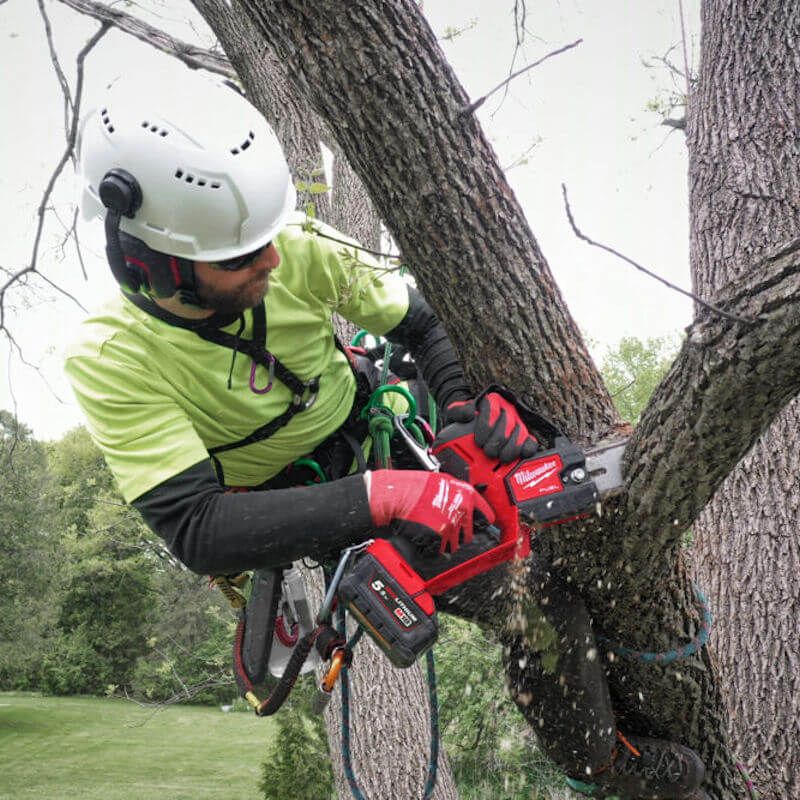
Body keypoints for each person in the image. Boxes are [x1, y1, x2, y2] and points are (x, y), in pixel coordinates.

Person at [66, 70, 707, 800]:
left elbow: (423, 321)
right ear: (156, 264)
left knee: (531, 471)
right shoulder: (111, 358)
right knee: (538, 602)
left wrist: (466, 407)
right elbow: (197, 526)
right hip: (307, 505)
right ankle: (610, 769)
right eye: (241, 257)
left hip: (379, 422)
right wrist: (383, 497)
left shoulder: (294, 248)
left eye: (269, 240)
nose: (273, 262)